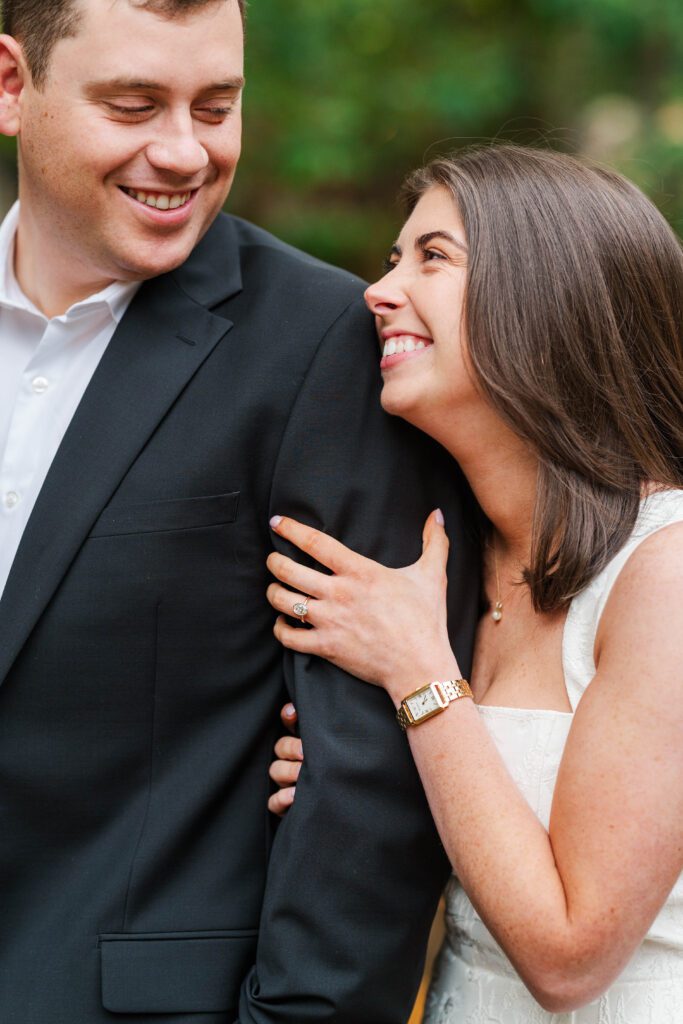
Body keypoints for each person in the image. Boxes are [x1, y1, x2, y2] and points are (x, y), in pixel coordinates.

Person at [0, 2, 480, 1021]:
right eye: (133, 105)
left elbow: (367, 770)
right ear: (11, 86)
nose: (184, 152)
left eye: (216, 107)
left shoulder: (323, 344)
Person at [266, 144, 683, 1021]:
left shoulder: (664, 570)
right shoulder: (452, 557)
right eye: (392, 259)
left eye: (432, 257)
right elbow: (475, 793)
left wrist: (417, 673)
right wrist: (356, 769)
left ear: (547, 294)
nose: (378, 291)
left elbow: (569, 959)